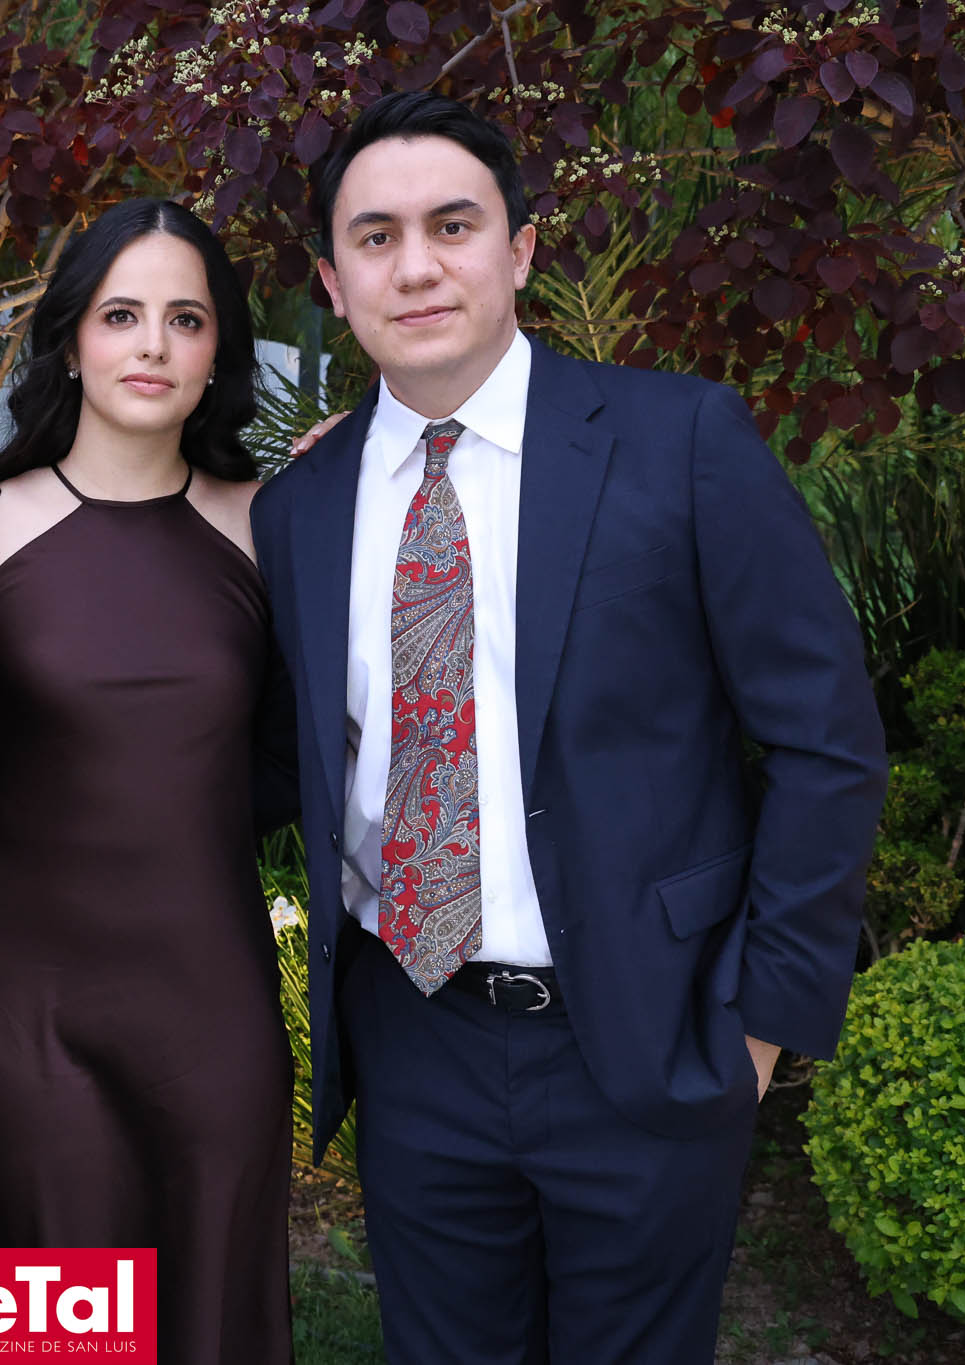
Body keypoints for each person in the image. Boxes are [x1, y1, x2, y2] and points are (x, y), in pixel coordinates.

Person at [251, 91, 888, 1364]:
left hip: (650, 1036)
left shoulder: (677, 440)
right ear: (331, 280)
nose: (414, 267)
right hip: (414, 1038)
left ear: (520, 250)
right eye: (374, 237)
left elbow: (825, 742)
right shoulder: (301, 504)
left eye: (451, 226)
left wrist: (757, 1029)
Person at [0, 197, 294, 1364]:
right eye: (120, 314)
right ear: (72, 339)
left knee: (205, 1318)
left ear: (217, 350)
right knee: (36, 1332)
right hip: (21, 1010)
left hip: (212, 1009)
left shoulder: (273, 528)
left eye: (185, 319)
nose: (151, 345)